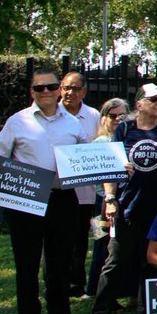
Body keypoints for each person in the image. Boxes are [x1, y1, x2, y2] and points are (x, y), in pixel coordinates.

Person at [0, 68, 86, 314]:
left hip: (62, 198)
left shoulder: (73, 124)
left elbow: (86, 156)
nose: (45, 92)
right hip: (27, 199)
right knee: (27, 263)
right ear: (31, 92)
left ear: (60, 89)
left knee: (59, 263)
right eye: (39, 88)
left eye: (51, 86)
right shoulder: (17, 122)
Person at [90, 83, 157, 314]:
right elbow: (111, 168)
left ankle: (145, 309)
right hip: (127, 206)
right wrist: (110, 199)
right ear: (139, 104)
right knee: (115, 258)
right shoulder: (125, 129)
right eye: (154, 99)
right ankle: (101, 310)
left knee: (150, 260)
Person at [59, 71, 102, 298]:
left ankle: (77, 284)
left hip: (87, 193)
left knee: (83, 238)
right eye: (66, 88)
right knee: (58, 239)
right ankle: (58, 283)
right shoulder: (51, 114)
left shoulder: (93, 115)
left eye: (75, 89)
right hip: (58, 190)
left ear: (83, 92)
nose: (69, 93)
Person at [84, 98, 130, 299]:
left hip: (125, 200)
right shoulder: (99, 143)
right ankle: (92, 289)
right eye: (113, 116)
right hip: (101, 202)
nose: (118, 120)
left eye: (122, 116)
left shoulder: (130, 140)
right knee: (101, 242)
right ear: (104, 119)